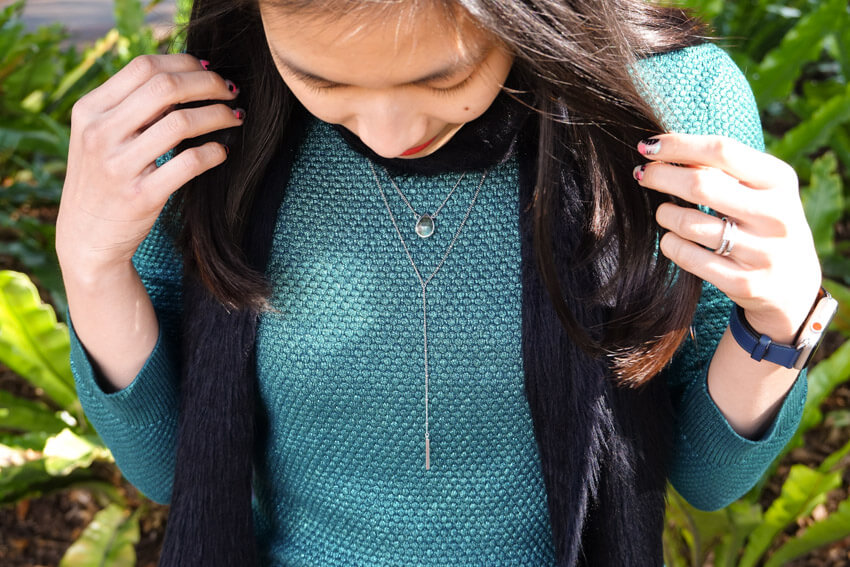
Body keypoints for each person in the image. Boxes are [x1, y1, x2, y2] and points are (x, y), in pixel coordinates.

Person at [56, 0, 831, 565]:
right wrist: (90, 266)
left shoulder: (668, 106)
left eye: (442, 78)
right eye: (321, 79)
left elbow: (707, 474)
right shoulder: (205, 116)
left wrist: (779, 313)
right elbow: (167, 464)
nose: (388, 133)